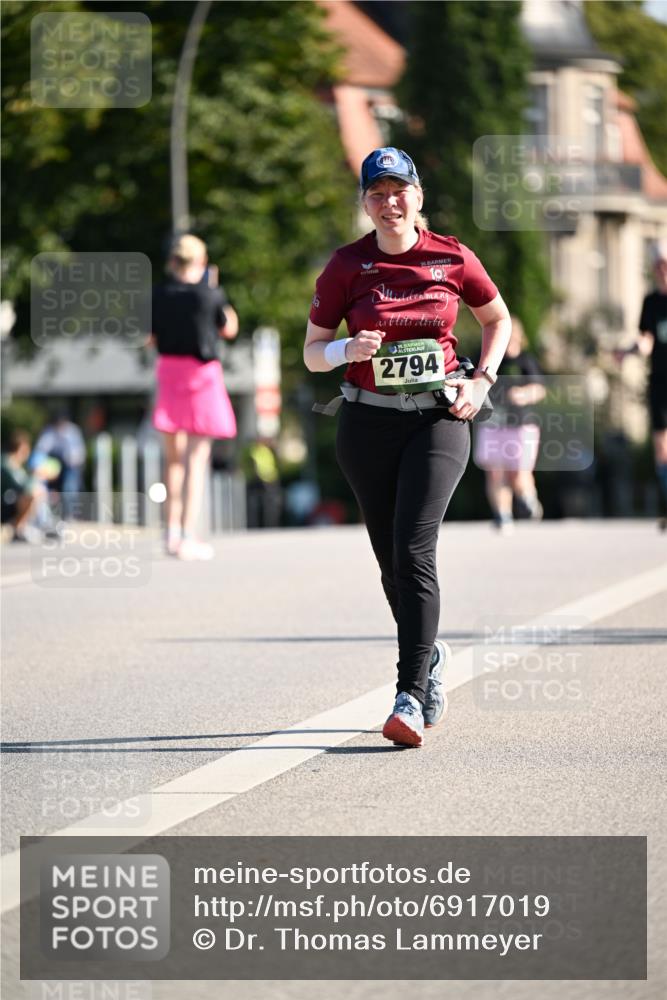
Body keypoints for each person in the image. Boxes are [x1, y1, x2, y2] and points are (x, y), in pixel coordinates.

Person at [304, 147, 511, 747]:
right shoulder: (346, 266)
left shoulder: (452, 255)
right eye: (377, 194)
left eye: (399, 191)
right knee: (390, 561)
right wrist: (346, 350)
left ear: (418, 197)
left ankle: (409, 696)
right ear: (365, 204)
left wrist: (482, 380)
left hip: (438, 420)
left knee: (414, 549)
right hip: (366, 424)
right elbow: (312, 352)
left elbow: (497, 319)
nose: (389, 203)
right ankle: (430, 654)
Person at [150, 234, 238, 560]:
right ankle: (188, 535)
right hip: (202, 376)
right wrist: (213, 288)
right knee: (196, 460)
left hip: (170, 373)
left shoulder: (158, 294)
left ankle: (171, 533)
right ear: (201, 262)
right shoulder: (209, 293)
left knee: (173, 460)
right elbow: (229, 328)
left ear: (172, 262)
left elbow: (149, 337)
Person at [473, 316, 546, 533]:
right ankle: (502, 516)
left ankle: (528, 499)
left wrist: (524, 394)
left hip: (521, 425)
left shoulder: (526, 361)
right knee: (495, 472)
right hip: (493, 423)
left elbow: (539, 389)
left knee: (518, 474)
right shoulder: (488, 359)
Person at [620, 240, 667, 529]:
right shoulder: (651, 302)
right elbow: (646, 339)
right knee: (661, 448)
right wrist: (630, 350)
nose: (662, 270)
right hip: (660, 381)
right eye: (658, 265)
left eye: (666, 264)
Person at [34, 411, 86, 519]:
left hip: (71, 466)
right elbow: (41, 449)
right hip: (55, 464)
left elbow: (78, 453)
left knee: (69, 488)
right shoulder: (49, 431)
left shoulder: (73, 431)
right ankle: (50, 513)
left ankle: (69, 514)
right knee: (46, 487)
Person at [1, 430, 42, 541]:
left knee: (37, 492)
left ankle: (29, 526)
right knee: (32, 495)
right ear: (21, 448)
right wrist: (36, 474)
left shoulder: (11, 462)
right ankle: (18, 528)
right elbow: (24, 487)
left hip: (7, 502)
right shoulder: (7, 463)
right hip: (4, 505)